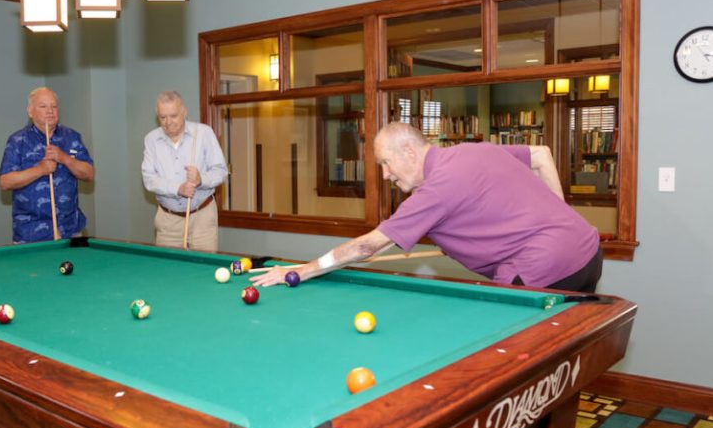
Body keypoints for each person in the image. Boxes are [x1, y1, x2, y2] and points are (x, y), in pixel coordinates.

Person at [253, 122, 603, 293]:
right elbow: (541, 155)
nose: (386, 175)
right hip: (588, 253)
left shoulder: (435, 191)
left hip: (542, 269)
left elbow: (366, 247)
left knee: (505, 357)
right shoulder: (472, 150)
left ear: (409, 151)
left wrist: (302, 270)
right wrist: (563, 222)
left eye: (386, 163)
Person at [0, 87, 94, 243]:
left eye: (54, 106)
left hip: (70, 230)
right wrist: (40, 169)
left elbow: (89, 174)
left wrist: (64, 158)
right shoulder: (18, 141)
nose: (50, 111)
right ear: (30, 111)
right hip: (30, 234)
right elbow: (5, 182)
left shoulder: (72, 137)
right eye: (43, 106)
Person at [142, 91, 227, 251]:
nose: (168, 122)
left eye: (173, 116)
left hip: (202, 217)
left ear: (184, 112)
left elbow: (221, 171)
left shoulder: (203, 133)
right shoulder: (151, 139)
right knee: (167, 265)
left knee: (203, 264)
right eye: (162, 117)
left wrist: (201, 179)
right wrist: (178, 188)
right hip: (167, 220)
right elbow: (149, 179)